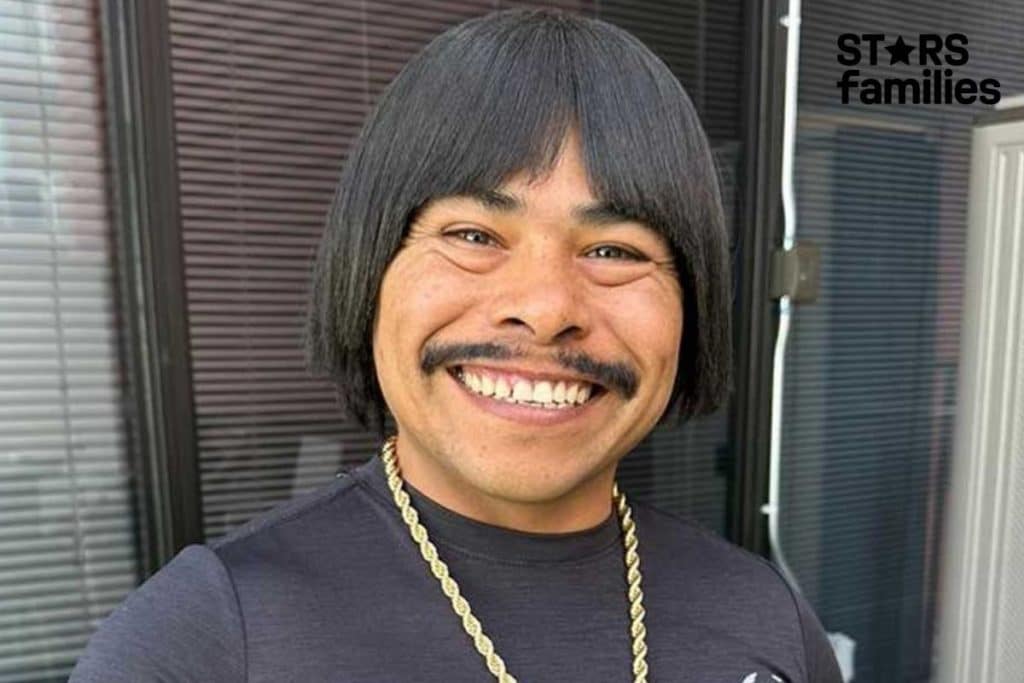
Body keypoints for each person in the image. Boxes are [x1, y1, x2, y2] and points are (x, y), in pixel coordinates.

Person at [71, 8, 842, 682]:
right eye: (473, 234)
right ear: (370, 268)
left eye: (614, 250)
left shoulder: (765, 615)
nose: (544, 308)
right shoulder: (204, 639)